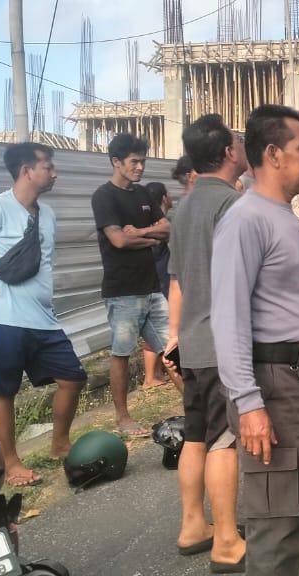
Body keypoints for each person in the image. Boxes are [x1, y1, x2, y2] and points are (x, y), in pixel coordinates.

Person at [211, 104, 299, 575]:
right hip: (274, 388)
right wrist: (249, 404)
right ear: (273, 155)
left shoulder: (284, 215)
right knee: (276, 526)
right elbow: (228, 318)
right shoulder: (246, 220)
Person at [0, 143, 87, 487]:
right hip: (0, 317)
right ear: (27, 170)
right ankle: (11, 463)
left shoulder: (48, 214)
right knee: (3, 391)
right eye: (48, 166)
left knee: (73, 376)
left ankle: (59, 444)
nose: (54, 173)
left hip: (42, 318)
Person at [162, 114, 247, 572]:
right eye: (239, 140)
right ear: (230, 152)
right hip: (223, 344)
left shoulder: (184, 208)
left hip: (194, 341)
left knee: (195, 435)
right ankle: (228, 541)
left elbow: (176, 281)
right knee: (225, 440)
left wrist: (174, 338)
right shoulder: (232, 205)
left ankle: (194, 525)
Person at [91, 133, 174, 437]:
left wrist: (138, 232)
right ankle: (123, 417)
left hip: (152, 288)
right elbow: (118, 240)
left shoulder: (143, 195)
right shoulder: (104, 196)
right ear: (116, 162)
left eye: (143, 161)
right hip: (122, 290)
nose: (140, 167)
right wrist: (148, 237)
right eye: (134, 162)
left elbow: (167, 229)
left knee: (173, 350)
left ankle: (196, 408)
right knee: (122, 353)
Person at [142, 182, 176, 390]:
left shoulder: (155, 222)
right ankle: (149, 377)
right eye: (169, 194)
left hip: (161, 274)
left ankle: (154, 374)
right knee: (159, 324)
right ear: (163, 198)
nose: (172, 196)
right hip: (159, 277)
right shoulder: (154, 223)